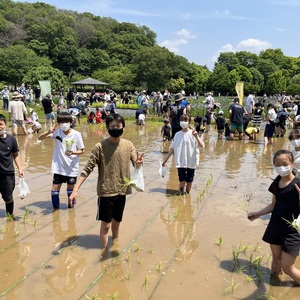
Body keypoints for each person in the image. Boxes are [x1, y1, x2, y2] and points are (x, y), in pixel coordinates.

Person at [69, 113, 144, 250]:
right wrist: (75, 190)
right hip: (106, 192)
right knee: (106, 224)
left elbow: (136, 162)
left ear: (123, 128)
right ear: (107, 128)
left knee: (117, 222)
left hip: (121, 191)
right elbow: (87, 169)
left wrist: (138, 164)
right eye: (112, 126)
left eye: (118, 126)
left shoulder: (128, 145)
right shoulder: (100, 146)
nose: (115, 128)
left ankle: (115, 245)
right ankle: (103, 252)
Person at [248, 150, 300, 285]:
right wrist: (258, 213)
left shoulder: (298, 184)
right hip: (276, 226)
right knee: (276, 259)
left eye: (284, 164)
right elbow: (273, 205)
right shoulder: (276, 183)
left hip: (293, 230)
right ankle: (274, 285)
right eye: (277, 164)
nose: (281, 167)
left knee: (288, 267)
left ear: (292, 164)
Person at [38, 112, 85, 209]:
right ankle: (55, 211)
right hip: (58, 168)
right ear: (59, 123)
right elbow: (39, 138)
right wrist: (48, 131)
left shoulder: (77, 134)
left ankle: (71, 211)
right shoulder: (57, 132)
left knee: (70, 192)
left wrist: (73, 152)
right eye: (62, 122)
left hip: (71, 168)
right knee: (54, 191)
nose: (64, 124)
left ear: (70, 122)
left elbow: (82, 150)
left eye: (66, 121)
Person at [162, 114, 205, 195]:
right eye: (181, 120)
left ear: (189, 122)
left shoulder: (193, 134)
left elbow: (202, 146)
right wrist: (165, 160)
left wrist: (197, 137)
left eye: (185, 120)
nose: (183, 122)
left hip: (191, 162)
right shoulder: (177, 134)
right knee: (182, 181)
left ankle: (187, 195)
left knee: (189, 181)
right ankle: (181, 198)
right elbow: (172, 148)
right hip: (181, 162)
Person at [0, 114, 24, 217]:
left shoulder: (11, 139)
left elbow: (15, 155)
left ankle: (10, 218)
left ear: (5, 125)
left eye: (1, 124)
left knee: (8, 198)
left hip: (7, 174)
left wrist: (20, 168)